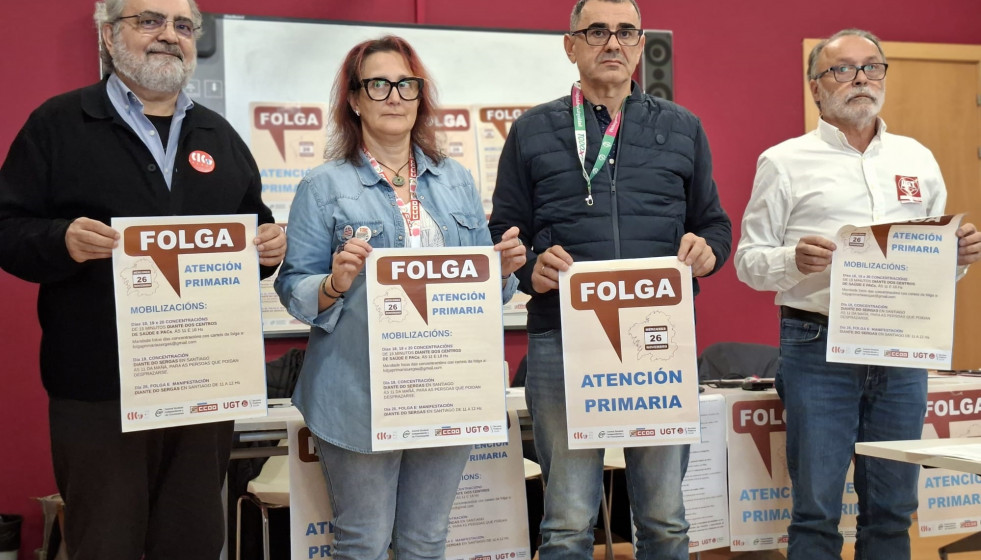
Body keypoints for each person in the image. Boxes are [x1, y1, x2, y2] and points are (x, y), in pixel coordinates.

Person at [0, 0, 286, 558]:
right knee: (106, 543)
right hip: (100, 390)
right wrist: (60, 240)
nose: (169, 35)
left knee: (192, 541)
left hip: (204, 385)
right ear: (109, 36)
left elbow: (253, 230)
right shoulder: (59, 124)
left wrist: (269, 248)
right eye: (149, 20)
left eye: (183, 26)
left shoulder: (219, 135)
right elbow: (7, 228)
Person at [488, 0, 731, 557]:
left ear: (641, 45)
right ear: (570, 45)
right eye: (597, 31)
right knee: (568, 521)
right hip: (563, 341)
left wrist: (707, 251)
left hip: (659, 341)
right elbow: (504, 233)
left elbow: (714, 224)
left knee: (665, 519)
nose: (613, 43)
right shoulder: (531, 130)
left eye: (626, 32)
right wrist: (530, 267)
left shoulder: (683, 128)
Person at [274, 35, 526, 560]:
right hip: (357, 393)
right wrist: (334, 283)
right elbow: (293, 287)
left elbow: (482, 292)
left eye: (406, 84)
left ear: (419, 95)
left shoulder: (455, 180)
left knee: (426, 540)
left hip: (446, 386)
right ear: (354, 99)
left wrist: (501, 272)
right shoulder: (322, 186)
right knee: (363, 541)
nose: (394, 96)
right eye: (378, 84)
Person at [734, 28, 981, 560]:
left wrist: (956, 258)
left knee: (893, 510)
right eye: (843, 69)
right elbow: (748, 262)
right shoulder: (784, 161)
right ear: (816, 88)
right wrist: (792, 260)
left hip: (902, 349)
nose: (861, 79)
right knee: (817, 512)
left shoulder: (918, 158)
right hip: (818, 346)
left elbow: (933, 266)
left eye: (872, 67)